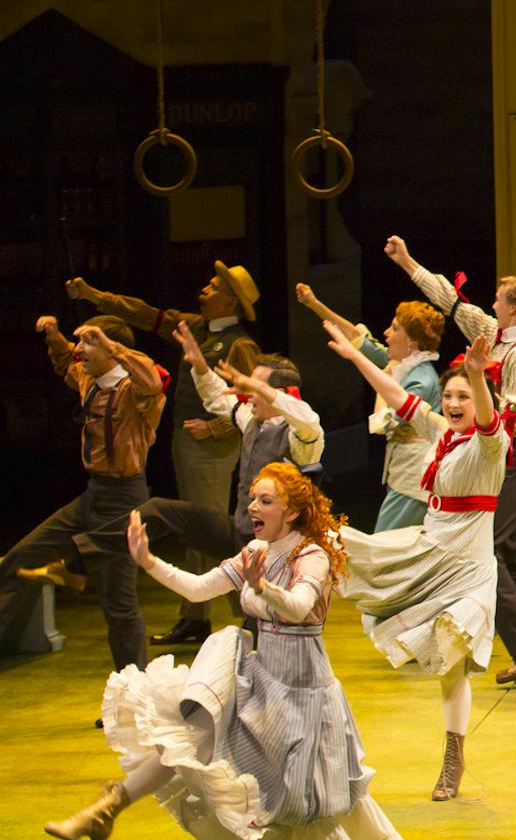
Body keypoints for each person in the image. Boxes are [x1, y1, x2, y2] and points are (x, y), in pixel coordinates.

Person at [45, 463, 399, 840]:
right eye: (253, 498)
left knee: (305, 803)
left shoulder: (312, 554)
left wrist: (261, 587)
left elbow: (296, 606)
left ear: (292, 511)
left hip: (303, 690)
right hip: (257, 675)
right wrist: (147, 561)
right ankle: (107, 808)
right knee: (191, 739)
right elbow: (197, 588)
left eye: (266, 501)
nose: (254, 508)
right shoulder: (255, 550)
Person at [321, 324, 503, 801]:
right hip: (429, 550)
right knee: (353, 553)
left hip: (467, 566)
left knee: (453, 663)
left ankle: (452, 753)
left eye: (463, 395)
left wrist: (479, 377)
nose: (454, 403)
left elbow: (486, 419)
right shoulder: (442, 433)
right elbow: (397, 395)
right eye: (450, 395)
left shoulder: (491, 445)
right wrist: (356, 358)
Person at [385, 234, 516, 687]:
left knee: (486, 549)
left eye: (499, 300)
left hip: (515, 454)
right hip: (501, 452)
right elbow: (451, 300)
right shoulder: (493, 336)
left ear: (515, 308)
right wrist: (408, 263)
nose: (492, 304)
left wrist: (486, 426)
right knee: (508, 552)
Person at [66, 263, 260, 646]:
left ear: (230, 301)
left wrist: (216, 427)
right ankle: (195, 616)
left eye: (213, 286)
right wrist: (94, 296)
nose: (203, 289)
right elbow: (144, 313)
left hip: (212, 448)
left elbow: (255, 400)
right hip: (186, 443)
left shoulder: (240, 345)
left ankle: (252, 615)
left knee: (212, 533)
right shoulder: (196, 326)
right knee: (192, 533)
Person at [3, 314, 164, 668]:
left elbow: (152, 381)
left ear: (111, 349)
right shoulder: (90, 380)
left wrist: (113, 346)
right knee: (20, 557)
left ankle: (133, 692)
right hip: (94, 494)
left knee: (118, 605)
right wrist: (54, 335)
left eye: (89, 343)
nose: (81, 350)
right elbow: (65, 362)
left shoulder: (135, 391)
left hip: (125, 500)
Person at [131, 323, 324, 606]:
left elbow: (307, 418)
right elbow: (218, 398)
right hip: (242, 530)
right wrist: (199, 365)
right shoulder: (252, 421)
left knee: (260, 618)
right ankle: (78, 561)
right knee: (158, 510)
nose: (246, 392)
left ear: (280, 393)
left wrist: (259, 388)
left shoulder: (301, 436)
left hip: (278, 545)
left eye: (253, 387)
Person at [297, 285, 445, 529]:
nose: (386, 332)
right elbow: (359, 340)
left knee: (385, 544)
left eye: (395, 328)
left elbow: (381, 423)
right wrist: (315, 304)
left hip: (413, 479)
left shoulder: (420, 379)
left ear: (411, 341)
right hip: (404, 475)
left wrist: (382, 380)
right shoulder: (405, 366)